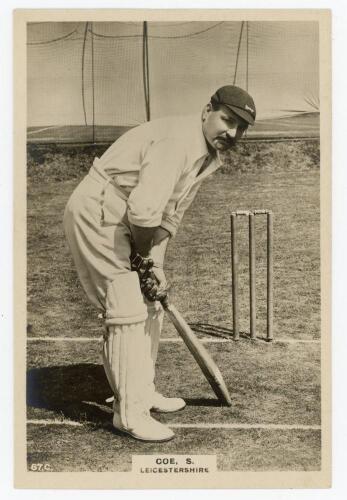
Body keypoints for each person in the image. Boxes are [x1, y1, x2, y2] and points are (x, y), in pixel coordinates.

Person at [63, 85, 256, 442]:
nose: (232, 133)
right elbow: (144, 209)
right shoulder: (178, 142)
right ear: (207, 110)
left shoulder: (209, 156)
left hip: (131, 214)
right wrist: (141, 258)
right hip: (100, 210)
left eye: (241, 128)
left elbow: (170, 215)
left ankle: (142, 390)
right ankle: (130, 414)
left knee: (153, 304)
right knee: (125, 306)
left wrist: (157, 267)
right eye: (227, 120)